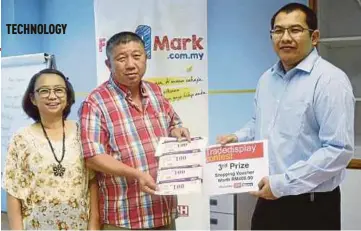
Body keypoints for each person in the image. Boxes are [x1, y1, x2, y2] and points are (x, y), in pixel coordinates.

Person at [217, 3, 355, 230]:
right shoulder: (266, 79)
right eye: (278, 31)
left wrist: (283, 184)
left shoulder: (330, 81)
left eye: (295, 30)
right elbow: (259, 123)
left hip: (310, 205)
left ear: (315, 37)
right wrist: (237, 138)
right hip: (268, 197)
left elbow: (338, 149)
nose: (285, 38)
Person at [78, 31, 190, 230]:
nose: (131, 64)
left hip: (163, 211)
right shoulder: (95, 102)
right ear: (108, 64)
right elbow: (93, 156)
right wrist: (135, 174)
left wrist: (177, 131)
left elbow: (173, 122)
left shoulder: (155, 92)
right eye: (121, 58)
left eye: (137, 56)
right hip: (124, 218)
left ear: (145, 58)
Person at [3, 68, 100, 230]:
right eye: (44, 91)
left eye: (59, 90)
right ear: (33, 98)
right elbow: (14, 191)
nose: (52, 96)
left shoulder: (82, 132)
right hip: (36, 226)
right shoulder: (21, 138)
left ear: (68, 97)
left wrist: (94, 225)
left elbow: (93, 182)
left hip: (79, 225)